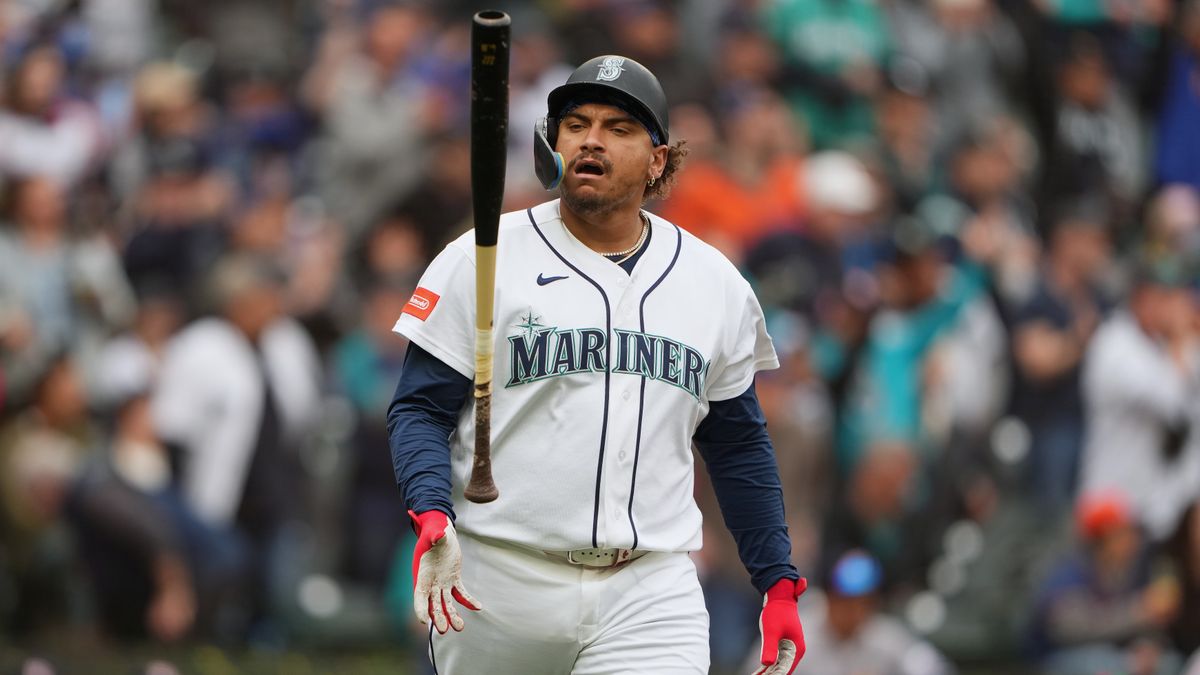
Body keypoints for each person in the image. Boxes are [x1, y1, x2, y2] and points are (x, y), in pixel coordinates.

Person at [387, 55, 806, 674]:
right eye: (576, 124)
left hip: (648, 589)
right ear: (552, 146)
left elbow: (738, 443)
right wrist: (430, 508)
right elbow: (420, 408)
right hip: (499, 578)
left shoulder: (713, 282)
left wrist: (777, 579)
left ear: (658, 160)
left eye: (618, 127)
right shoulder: (482, 257)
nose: (591, 140)